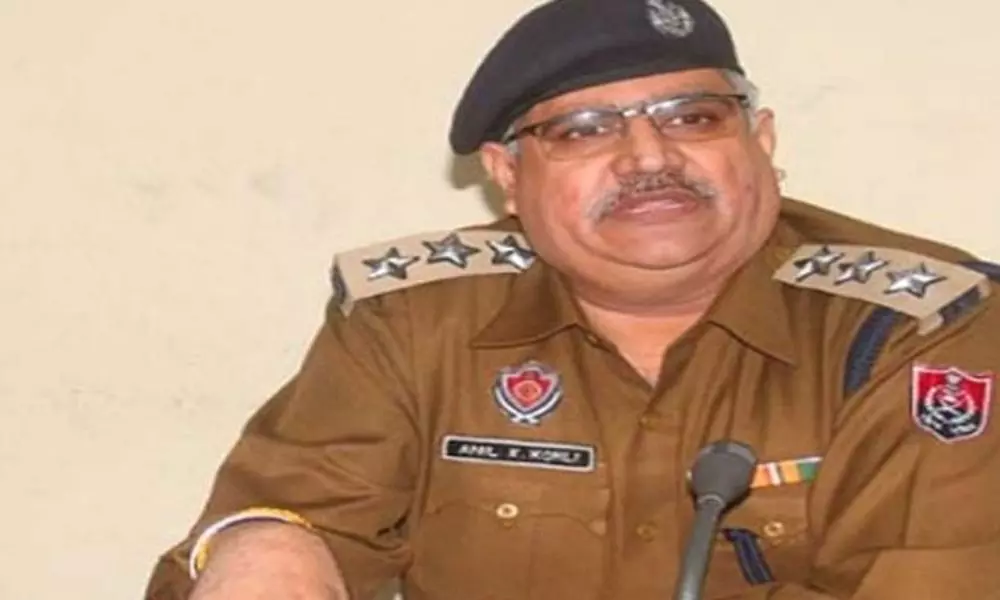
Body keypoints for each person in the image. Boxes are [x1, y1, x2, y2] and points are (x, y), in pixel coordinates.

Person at [144, 0, 1000, 598]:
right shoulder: (414, 322)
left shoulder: (918, 327)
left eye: (693, 117)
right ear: (507, 177)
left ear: (761, 141)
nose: (648, 158)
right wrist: (264, 544)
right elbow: (297, 509)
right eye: (582, 131)